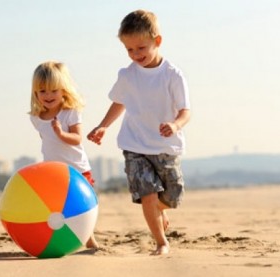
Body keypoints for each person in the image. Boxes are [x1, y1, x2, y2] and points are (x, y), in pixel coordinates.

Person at [87, 10, 191, 255]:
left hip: (166, 147)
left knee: (174, 195)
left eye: (141, 48)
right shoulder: (127, 75)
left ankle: (159, 210)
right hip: (134, 145)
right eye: (129, 50)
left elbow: (186, 111)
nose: (136, 55)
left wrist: (175, 125)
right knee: (148, 194)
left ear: (158, 41)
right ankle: (161, 242)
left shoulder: (172, 75)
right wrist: (103, 125)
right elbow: (119, 102)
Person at [29, 61, 99, 249]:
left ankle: (89, 239)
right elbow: (46, 141)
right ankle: (57, 239)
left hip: (77, 169)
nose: (48, 96)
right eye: (42, 91)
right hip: (54, 172)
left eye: (53, 90)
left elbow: (77, 138)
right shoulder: (36, 118)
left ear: (64, 91)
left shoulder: (70, 113)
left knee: (82, 206)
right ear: (35, 93)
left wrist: (61, 134)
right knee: (57, 208)